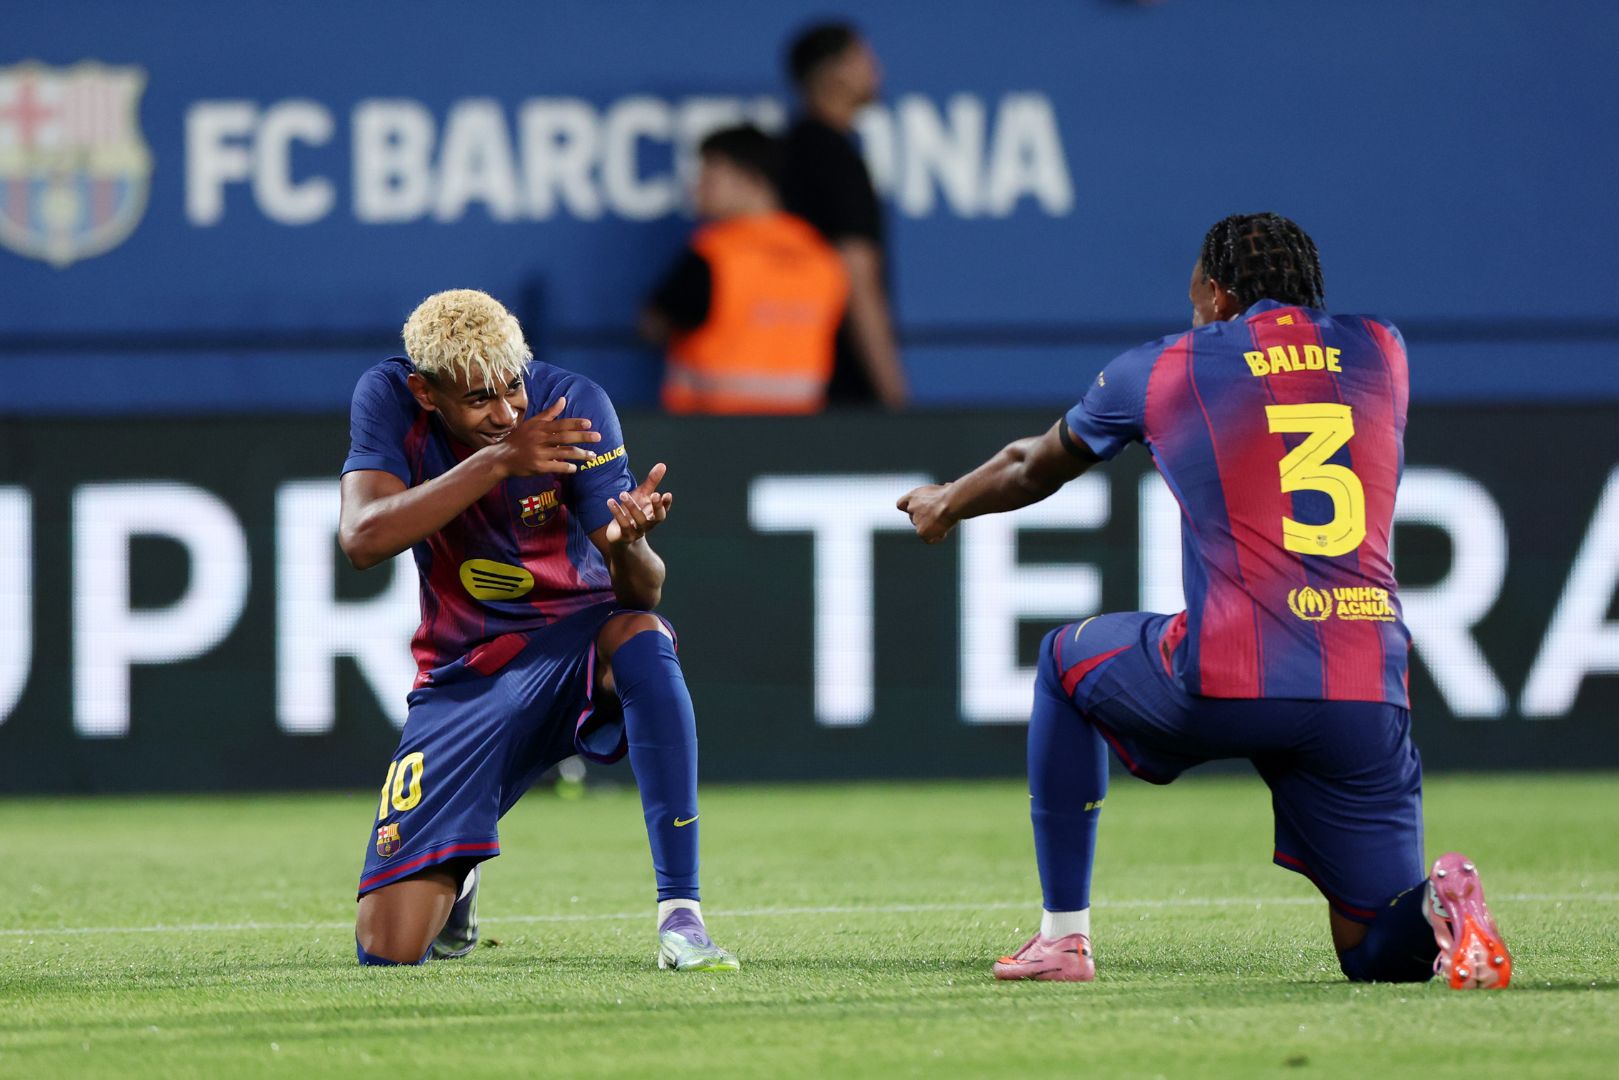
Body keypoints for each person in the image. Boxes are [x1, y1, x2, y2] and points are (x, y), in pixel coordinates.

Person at [897, 214, 1511, 989]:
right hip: (1364, 685)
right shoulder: (1382, 348)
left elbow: (1032, 465)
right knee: (1374, 954)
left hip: (1228, 672)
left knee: (1061, 661)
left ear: (1217, 295)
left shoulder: (1161, 368)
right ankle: (1436, 908)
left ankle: (1062, 940)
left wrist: (947, 501)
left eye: (1195, 297)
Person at [340, 288, 738, 971]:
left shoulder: (574, 405)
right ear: (425, 393)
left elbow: (640, 588)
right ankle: (459, 876)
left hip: (577, 641)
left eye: (513, 387)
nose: (506, 412)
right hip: (468, 669)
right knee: (388, 950)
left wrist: (626, 543)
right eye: (479, 400)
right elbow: (361, 538)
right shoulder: (388, 397)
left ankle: (682, 917)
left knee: (644, 633)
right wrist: (499, 460)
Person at [640, 125, 848, 414]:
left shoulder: (714, 254)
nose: (697, 188)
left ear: (750, 180)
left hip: (709, 432)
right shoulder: (822, 257)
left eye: (710, 176)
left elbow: (654, 325)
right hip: (800, 432)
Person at [780, 21, 908, 410]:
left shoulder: (790, 149)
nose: (876, 70)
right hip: (841, 384)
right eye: (864, 58)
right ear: (831, 71)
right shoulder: (836, 158)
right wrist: (894, 395)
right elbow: (856, 274)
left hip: (794, 372)